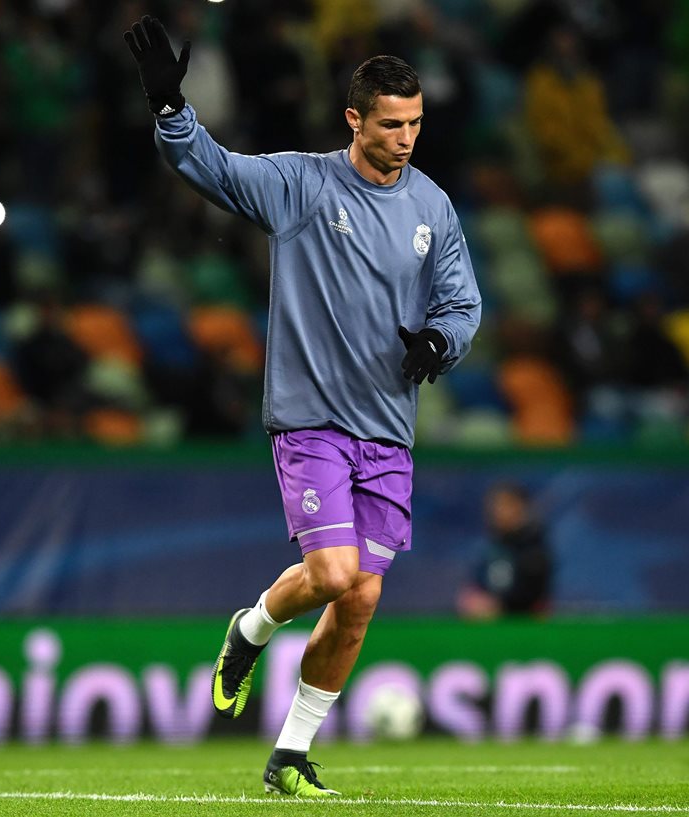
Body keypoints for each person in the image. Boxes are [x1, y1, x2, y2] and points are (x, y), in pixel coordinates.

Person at [123, 16, 481, 798]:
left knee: (361, 598)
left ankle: (289, 755)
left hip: (389, 431)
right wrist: (169, 109)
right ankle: (249, 630)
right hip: (312, 419)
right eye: (392, 124)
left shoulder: (434, 208)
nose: (406, 137)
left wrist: (439, 344)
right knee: (333, 570)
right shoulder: (302, 186)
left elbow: (462, 303)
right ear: (354, 119)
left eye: (416, 123)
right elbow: (213, 170)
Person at [456, 482, 552, 619]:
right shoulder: (490, 545)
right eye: (495, 506)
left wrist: (498, 605)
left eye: (506, 505)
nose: (498, 511)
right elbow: (480, 583)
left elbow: (533, 596)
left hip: (523, 622)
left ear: (521, 508)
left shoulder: (533, 547)